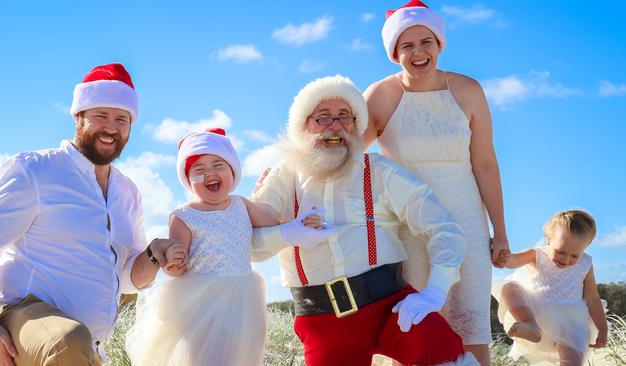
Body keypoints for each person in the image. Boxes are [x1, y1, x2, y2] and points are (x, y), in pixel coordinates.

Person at [251, 75, 478, 366]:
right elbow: (251, 246)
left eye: (344, 116)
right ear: (303, 126)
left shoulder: (381, 171)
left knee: (440, 347)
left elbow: (443, 228)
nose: (335, 126)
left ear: (357, 125)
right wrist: (288, 234)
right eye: (323, 118)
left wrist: (435, 291)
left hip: (391, 306)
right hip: (322, 320)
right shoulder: (283, 177)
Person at [0, 63, 178, 366]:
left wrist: (153, 254)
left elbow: (125, 278)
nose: (111, 127)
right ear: (77, 116)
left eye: (121, 119)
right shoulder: (36, 170)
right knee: (67, 341)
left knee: (73, 342)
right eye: (100, 116)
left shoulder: (128, 193)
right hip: (25, 316)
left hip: (87, 345)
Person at [363, 1, 511, 364]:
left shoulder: (468, 90)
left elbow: (486, 164)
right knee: (416, 328)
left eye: (426, 41)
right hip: (407, 226)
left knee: (472, 324)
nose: (418, 52)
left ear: (440, 44)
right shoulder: (379, 96)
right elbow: (348, 155)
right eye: (407, 45)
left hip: (467, 223)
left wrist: (500, 231)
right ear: (394, 52)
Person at [125, 128, 331, 366]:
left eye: (218, 165)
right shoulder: (183, 215)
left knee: (240, 356)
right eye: (199, 170)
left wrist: (299, 221)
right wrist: (173, 258)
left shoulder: (241, 204)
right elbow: (176, 267)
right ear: (188, 180)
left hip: (243, 299)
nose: (209, 173)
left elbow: (271, 220)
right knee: (204, 357)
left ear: (233, 172)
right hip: (201, 303)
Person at [491, 210, 608, 366]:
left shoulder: (586, 264)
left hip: (571, 322)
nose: (566, 259)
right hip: (536, 313)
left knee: (572, 358)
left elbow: (592, 299)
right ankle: (528, 324)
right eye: (560, 252)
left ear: (585, 248)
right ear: (548, 238)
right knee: (509, 287)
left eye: (574, 256)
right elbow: (513, 261)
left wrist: (602, 328)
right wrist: (503, 257)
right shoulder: (537, 254)